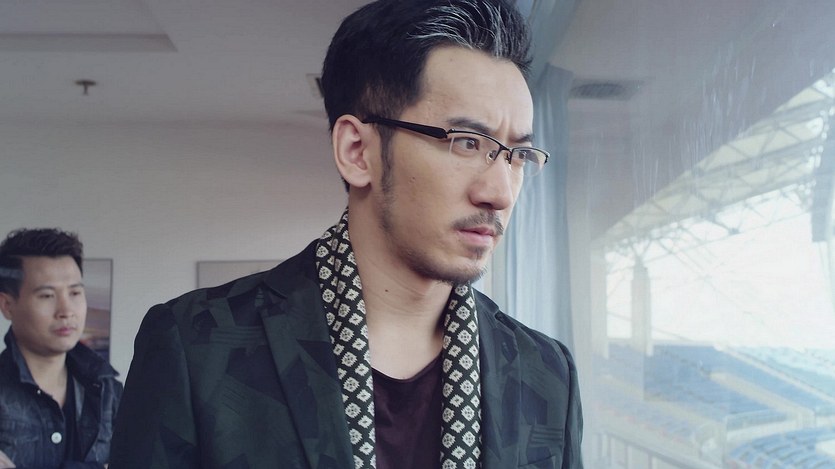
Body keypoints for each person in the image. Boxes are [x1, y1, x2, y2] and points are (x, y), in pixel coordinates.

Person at [110, 0, 583, 467]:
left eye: (519, 155)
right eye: (466, 143)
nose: (500, 193)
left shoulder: (545, 373)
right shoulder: (197, 347)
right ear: (357, 151)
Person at [0, 228, 122, 469]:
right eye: (47, 296)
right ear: (7, 305)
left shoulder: (109, 392)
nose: (66, 311)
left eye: (75, 292)